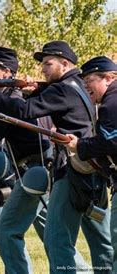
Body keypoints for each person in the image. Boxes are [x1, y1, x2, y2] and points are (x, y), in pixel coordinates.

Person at [0, 41, 113, 273]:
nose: (43, 69)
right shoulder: (78, 84)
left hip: (71, 170)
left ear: (65, 63)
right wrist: (36, 90)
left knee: (57, 240)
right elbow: (58, 101)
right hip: (94, 168)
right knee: (102, 243)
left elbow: (25, 111)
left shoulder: (61, 89)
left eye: (48, 64)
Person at [65, 56, 116, 271]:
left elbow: (110, 142)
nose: (86, 86)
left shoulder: (111, 103)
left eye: (90, 80)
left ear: (108, 78)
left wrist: (80, 145)